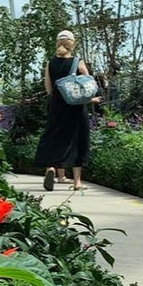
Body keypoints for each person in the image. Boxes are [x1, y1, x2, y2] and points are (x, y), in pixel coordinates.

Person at [35, 30, 102, 191]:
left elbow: (49, 90)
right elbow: (89, 87)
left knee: (55, 138)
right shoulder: (78, 62)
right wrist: (92, 100)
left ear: (57, 43)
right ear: (73, 44)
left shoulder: (50, 64)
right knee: (78, 141)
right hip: (76, 108)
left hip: (57, 107)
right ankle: (77, 182)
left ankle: (51, 167)